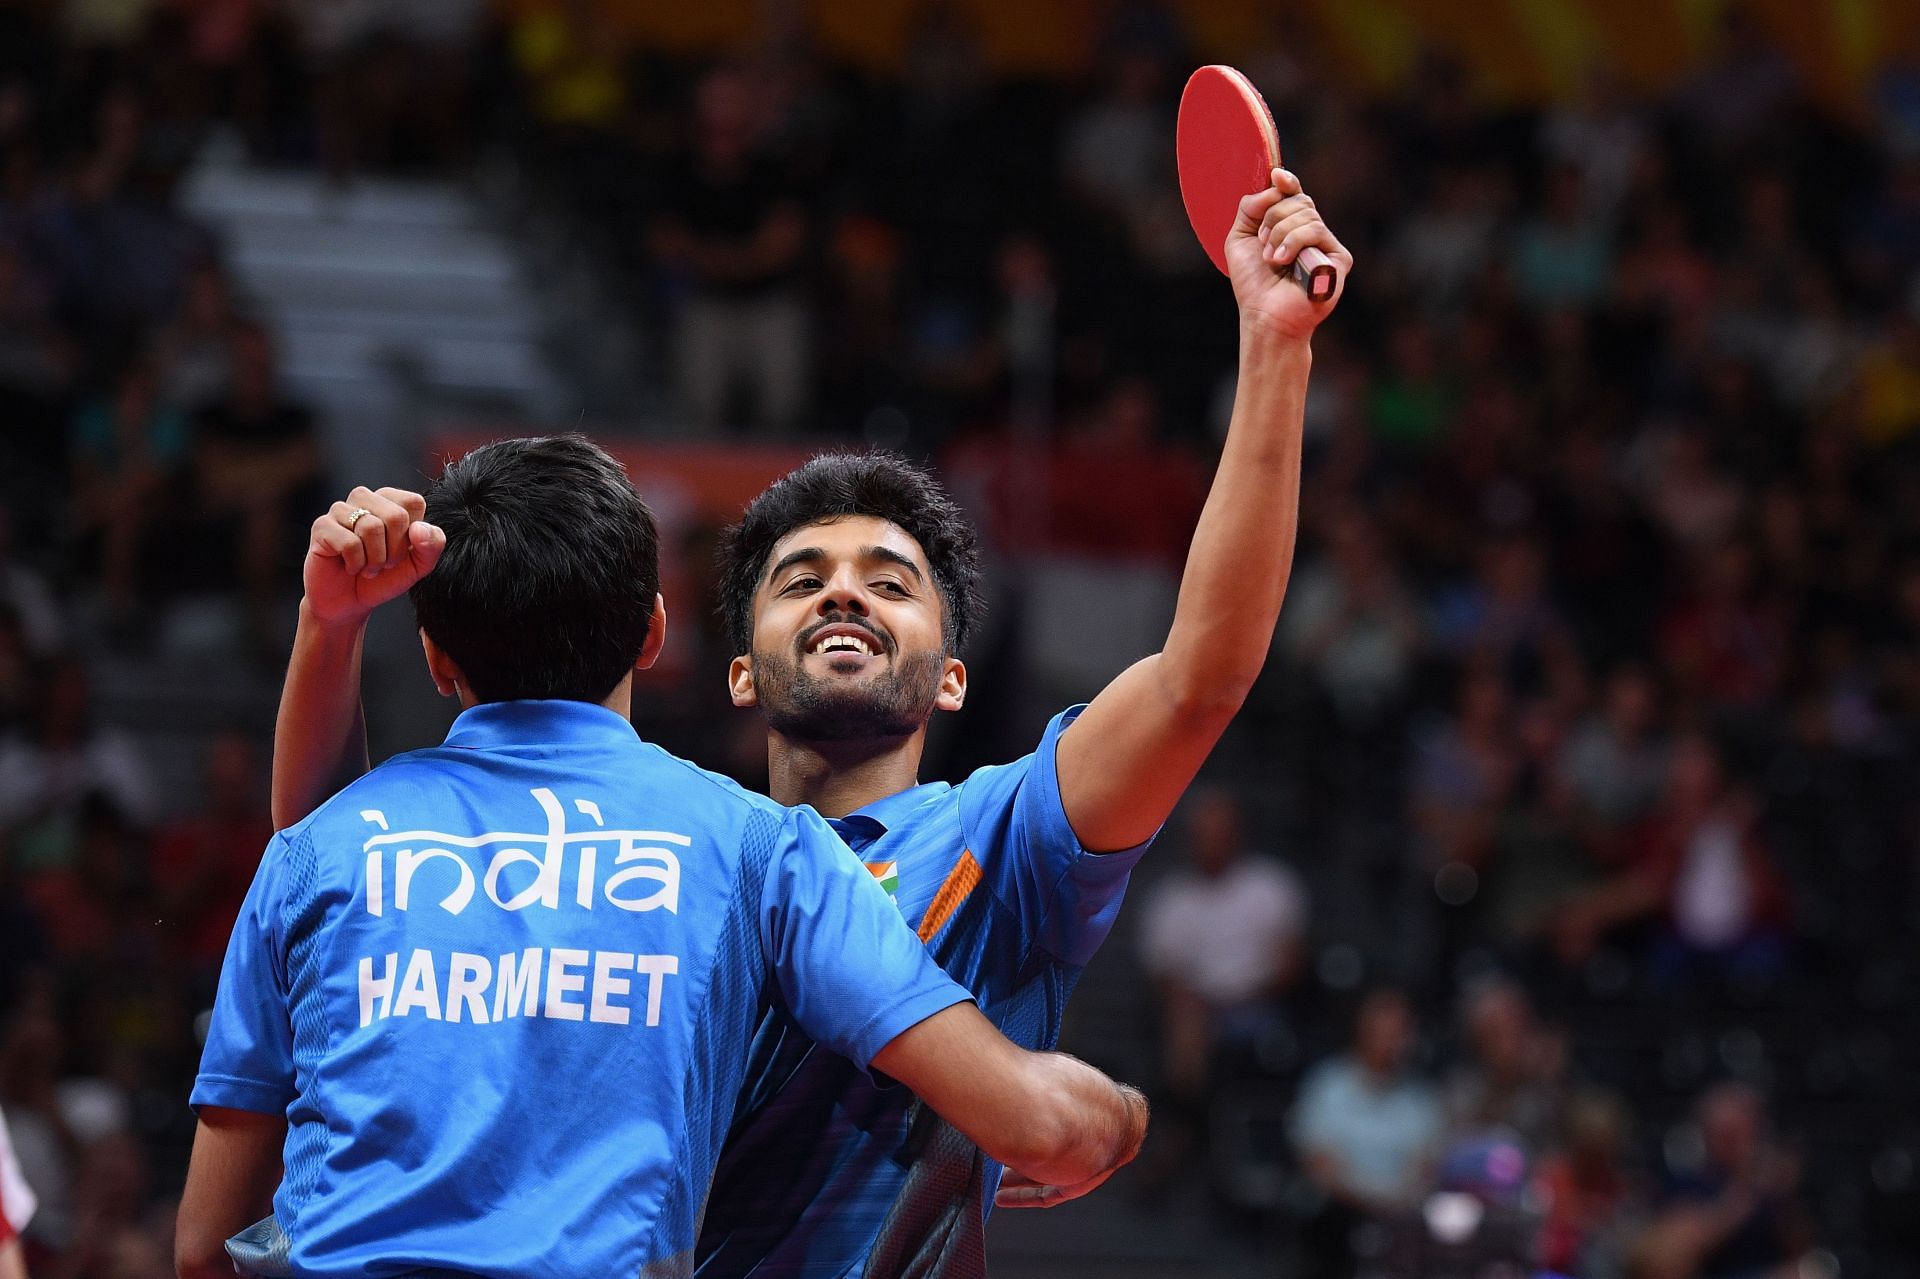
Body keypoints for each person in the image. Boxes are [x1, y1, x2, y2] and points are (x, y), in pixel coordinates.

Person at [271, 173, 1351, 1274]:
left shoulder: (1005, 841)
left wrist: (1274, 343)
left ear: (954, 680)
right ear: (739, 673)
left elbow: (1199, 679)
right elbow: (328, 867)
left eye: (891, 581)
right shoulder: (661, 854)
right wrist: (332, 627)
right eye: (801, 580)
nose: (844, 593)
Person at [175, 437, 1147, 1279]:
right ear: (653, 632)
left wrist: (330, 620)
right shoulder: (758, 848)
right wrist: (1114, 1119)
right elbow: (1034, 1123)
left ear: (434, 659)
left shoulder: (315, 853)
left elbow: (202, 1246)